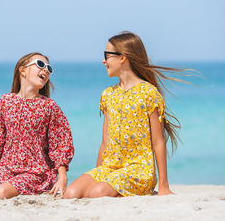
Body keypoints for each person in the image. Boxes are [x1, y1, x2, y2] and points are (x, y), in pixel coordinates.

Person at [64, 31, 183, 198]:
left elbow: (158, 142)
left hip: (139, 170)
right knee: (71, 193)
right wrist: (97, 173)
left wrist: (163, 186)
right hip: (111, 168)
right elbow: (105, 142)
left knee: (98, 193)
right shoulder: (107, 95)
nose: (103, 61)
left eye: (107, 55)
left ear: (122, 57)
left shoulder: (149, 93)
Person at [0, 52, 74, 199]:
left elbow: (60, 143)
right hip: (6, 169)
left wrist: (62, 178)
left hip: (35, 172)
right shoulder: (5, 101)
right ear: (23, 70)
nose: (45, 70)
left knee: (0, 193)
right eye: (40, 64)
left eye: (49, 68)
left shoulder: (49, 106)